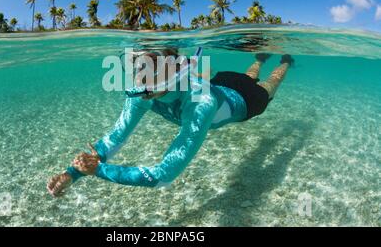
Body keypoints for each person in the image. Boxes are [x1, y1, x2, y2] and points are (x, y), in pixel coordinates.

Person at [47, 49, 294, 197]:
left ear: (175, 68)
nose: (142, 76)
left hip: (244, 103)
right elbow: (115, 137)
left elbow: (162, 176)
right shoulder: (141, 92)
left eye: (152, 67)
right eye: (137, 67)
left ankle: (285, 62)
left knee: (268, 85)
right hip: (222, 83)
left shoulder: (201, 103)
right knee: (249, 74)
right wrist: (73, 173)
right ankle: (260, 58)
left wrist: (98, 170)